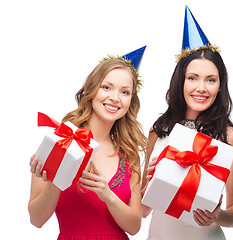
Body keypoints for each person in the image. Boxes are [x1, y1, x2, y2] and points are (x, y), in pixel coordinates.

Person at [141, 6, 233, 240]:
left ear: (220, 86)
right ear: (181, 82)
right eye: (192, 78)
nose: (201, 88)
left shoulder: (230, 137)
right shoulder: (158, 131)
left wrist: (216, 215)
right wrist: (146, 187)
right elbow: (144, 210)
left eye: (211, 80)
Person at [28, 46, 148, 240]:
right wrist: (54, 181)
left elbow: (134, 227)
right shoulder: (61, 142)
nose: (115, 98)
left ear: (130, 101)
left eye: (125, 92)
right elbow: (36, 220)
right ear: (92, 90)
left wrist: (107, 195)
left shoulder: (129, 154)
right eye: (106, 87)